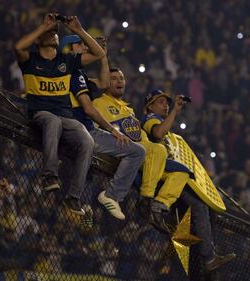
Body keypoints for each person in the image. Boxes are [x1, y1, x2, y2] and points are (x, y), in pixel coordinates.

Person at [14, 13, 106, 215]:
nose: (53, 33)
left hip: (66, 118)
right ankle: (49, 176)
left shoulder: (67, 61)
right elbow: (18, 47)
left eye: (55, 31)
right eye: (49, 32)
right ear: (39, 39)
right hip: (40, 114)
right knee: (53, 120)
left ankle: (74, 196)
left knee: (87, 141)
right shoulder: (30, 60)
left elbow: (99, 54)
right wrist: (43, 26)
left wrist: (78, 30)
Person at [142, 90, 236, 271]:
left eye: (166, 102)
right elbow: (159, 134)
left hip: (175, 175)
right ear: (150, 106)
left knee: (201, 206)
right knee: (198, 207)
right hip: (164, 174)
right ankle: (159, 207)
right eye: (160, 102)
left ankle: (209, 258)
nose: (165, 105)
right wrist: (175, 112)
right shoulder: (149, 120)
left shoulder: (166, 125)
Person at [60, 35, 146, 220]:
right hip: (82, 131)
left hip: (84, 131)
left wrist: (103, 56)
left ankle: (110, 196)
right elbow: (89, 109)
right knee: (136, 152)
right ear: (68, 50)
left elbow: (104, 83)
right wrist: (113, 131)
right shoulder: (71, 74)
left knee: (137, 151)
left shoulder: (78, 74)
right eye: (80, 45)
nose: (84, 47)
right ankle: (111, 196)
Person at [92, 68, 169, 230]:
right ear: (106, 83)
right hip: (120, 150)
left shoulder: (129, 109)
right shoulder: (99, 103)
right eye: (114, 78)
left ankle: (150, 202)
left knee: (162, 152)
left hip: (140, 149)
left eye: (122, 78)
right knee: (155, 153)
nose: (119, 81)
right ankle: (144, 200)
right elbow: (94, 131)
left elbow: (140, 136)